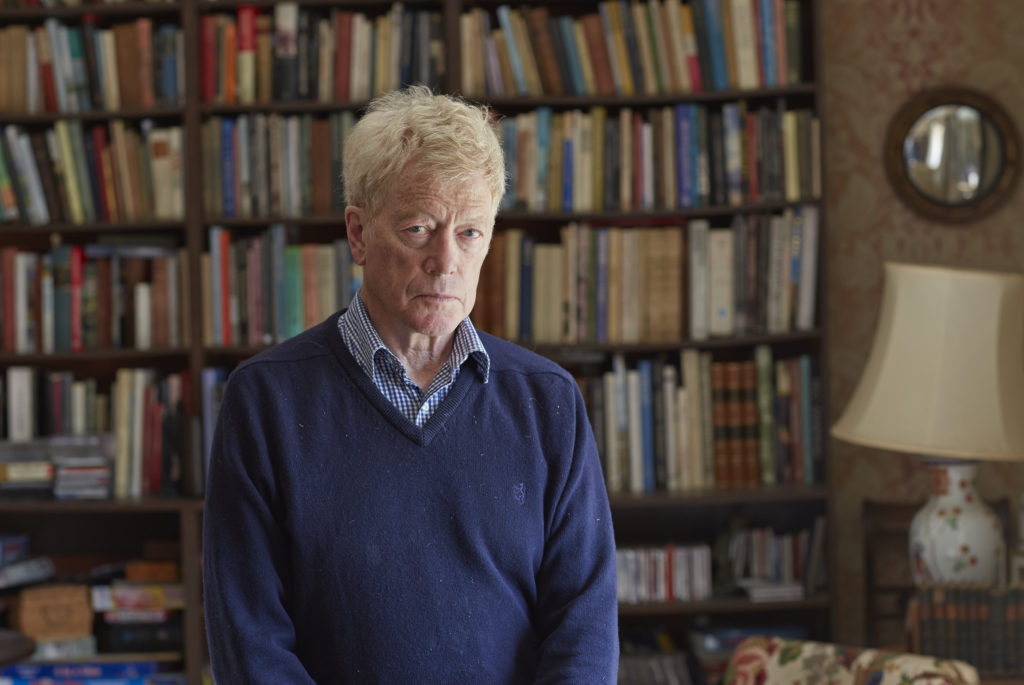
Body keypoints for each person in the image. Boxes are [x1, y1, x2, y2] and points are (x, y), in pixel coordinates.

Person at [202, 85, 619, 683]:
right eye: (419, 228)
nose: (445, 260)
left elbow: (583, 626)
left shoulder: (547, 401)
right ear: (359, 233)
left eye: (470, 232)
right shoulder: (265, 401)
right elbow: (249, 642)